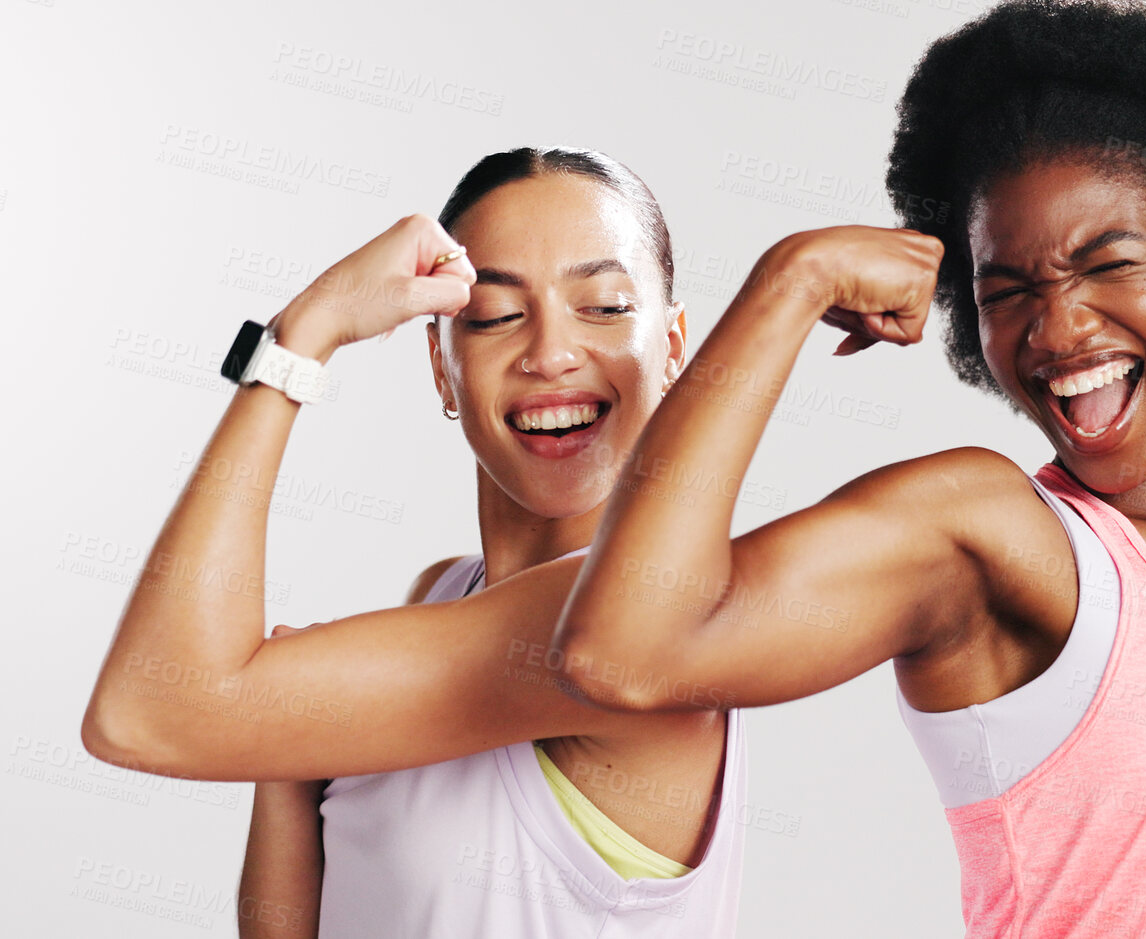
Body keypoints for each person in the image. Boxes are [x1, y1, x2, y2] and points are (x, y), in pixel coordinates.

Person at [553, 0, 1146, 939]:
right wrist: (791, 280)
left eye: (1106, 263)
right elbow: (620, 652)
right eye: (1006, 290)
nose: (1056, 328)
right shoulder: (992, 541)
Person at [81, 147, 747, 938]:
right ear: (441, 366)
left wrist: (305, 333)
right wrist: (287, 751)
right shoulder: (442, 593)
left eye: (603, 306)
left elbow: (145, 712)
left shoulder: (647, 628)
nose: (550, 354)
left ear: (672, 347)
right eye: (494, 315)